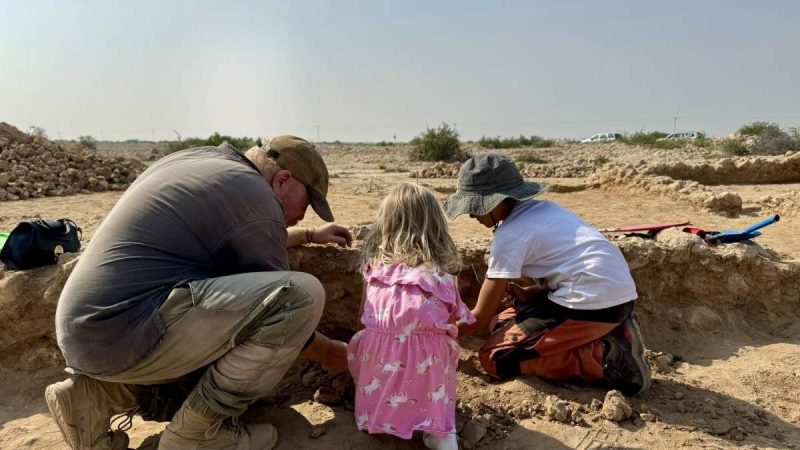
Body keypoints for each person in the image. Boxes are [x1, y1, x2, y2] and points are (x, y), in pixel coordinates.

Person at [46, 135, 353, 450]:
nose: (303, 214)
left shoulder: (205, 163)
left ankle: (94, 396)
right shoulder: (256, 195)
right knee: (300, 296)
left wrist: (307, 234)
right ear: (283, 180)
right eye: (308, 203)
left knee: (220, 322)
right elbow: (282, 305)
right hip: (126, 330)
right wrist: (330, 352)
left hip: (87, 334)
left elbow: (233, 233)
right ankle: (196, 435)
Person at [444, 154, 651, 397]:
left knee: (496, 358)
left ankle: (608, 357)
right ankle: (606, 332)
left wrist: (438, 335)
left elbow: (479, 315)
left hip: (591, 304)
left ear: (495, 201)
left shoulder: (510, 234)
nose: (471, 215)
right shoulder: (546, 209)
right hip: (613, 296)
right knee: (503, 320)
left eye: (474, 207)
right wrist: (530, 294)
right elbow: (576, 264)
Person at [347, 183, 475, 450]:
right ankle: (438, 431)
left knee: (364, 342)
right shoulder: (442, 275)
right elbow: (451, 324)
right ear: (437, 226)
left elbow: (364, 316)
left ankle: (377, 415)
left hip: (378, 357)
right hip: (427, 362)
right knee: (444, 346)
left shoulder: (374, 270)